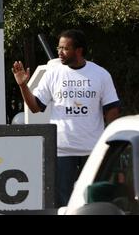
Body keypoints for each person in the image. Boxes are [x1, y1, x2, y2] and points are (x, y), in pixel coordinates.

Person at [12, 29, 120, 207]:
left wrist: (109, 141)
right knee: (64, 202)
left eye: (65, 48)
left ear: (79, 50)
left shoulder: (100, 74)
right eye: (59, 48)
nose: (60, 52)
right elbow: (35, 107)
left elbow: (112, 109)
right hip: (62, 150)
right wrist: (23, 85)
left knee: (95, 198)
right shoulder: (53, 74)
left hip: (92, 149)